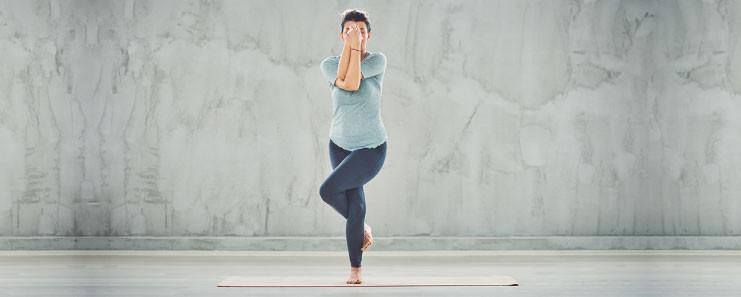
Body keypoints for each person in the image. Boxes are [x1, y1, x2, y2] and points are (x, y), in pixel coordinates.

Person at [318, 8, 388, 285]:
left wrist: (355, 46)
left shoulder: (377, 61)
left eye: (361, 30)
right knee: (356, 207)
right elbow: (344, 80)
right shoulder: (328, 64)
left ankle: (356, 261)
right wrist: (350, 46)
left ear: (368, 35)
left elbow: (353, 81)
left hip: (371, 148)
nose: (355, 34)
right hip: (339, 145)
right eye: (349, 30)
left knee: (327, 190)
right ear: (340, 34)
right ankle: (358, 253)